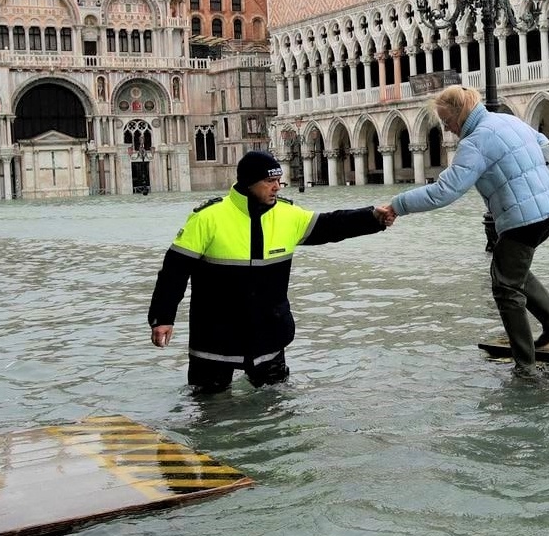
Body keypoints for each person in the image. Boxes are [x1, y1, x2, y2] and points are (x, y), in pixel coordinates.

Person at [149, 150, 392, 395]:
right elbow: (174, 271)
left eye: (279, 180)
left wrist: (373, 218)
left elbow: (332, 224)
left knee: (276, 410)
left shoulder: (288, 215)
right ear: (249, 182)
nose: (277, 187)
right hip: (215, 336)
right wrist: (163, 318)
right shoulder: (208, 218)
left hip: (269, 335)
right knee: (209, 412)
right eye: (270, 181)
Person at [377, 86, 549, 375]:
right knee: (511, 269)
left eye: (446, 120)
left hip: (524, 217)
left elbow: (444, 191)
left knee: (505, 287)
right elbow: (545, 144)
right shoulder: (508, 120)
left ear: (460, 113)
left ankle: (525, 366)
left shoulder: (476, 142)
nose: (446, 128)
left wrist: (398, 204)